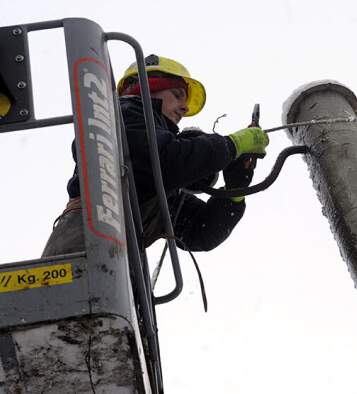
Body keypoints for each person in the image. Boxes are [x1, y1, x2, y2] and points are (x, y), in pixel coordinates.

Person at [42, 54, 269, 256]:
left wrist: (234, 191)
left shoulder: (155, 186)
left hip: (113, 267)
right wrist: (232, 144)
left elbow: (202, 231)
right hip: (81, 255)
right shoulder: (122, 116)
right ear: (148, 88)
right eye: (178, 94)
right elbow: (169, 160)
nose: (185, 108)